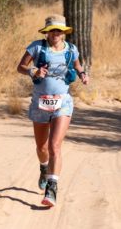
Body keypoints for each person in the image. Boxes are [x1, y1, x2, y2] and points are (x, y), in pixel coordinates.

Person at [16, 15, 89, 208]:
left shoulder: (71, 49)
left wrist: (82, 74)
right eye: (52, 30)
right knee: (42, 148)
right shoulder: (36, 47)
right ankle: (43, 168)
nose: (55, 34)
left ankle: (52, 187)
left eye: (59, 30)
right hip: (40, 102)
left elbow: (76, 64)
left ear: (64, 32)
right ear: (47, 32)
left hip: (62, 102)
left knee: (55, 145)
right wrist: (33, 71)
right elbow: (20, 67)